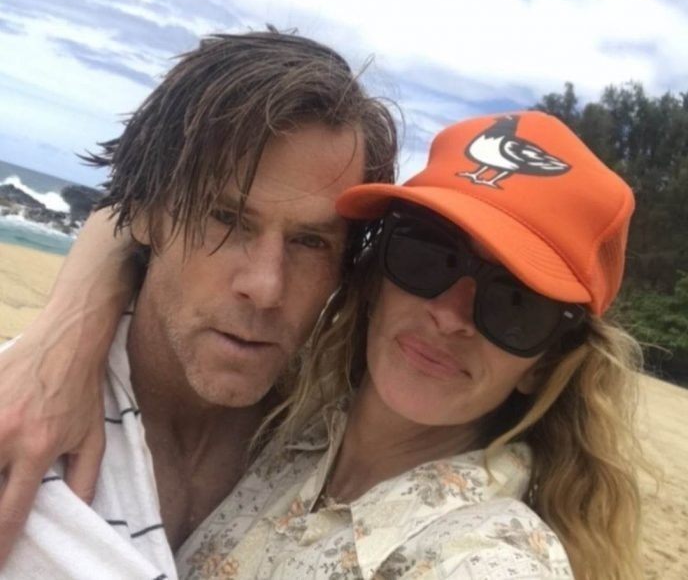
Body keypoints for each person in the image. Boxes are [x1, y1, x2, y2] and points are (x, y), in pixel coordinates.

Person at [172, 111, 646, 580]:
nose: (449, 315)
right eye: (428, 253)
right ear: (376, 273)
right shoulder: (279, 420)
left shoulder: (487, 560)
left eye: (515, 303)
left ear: (545, 363)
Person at [0, 29, 397, 578]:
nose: (266, 287)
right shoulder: (19, 421)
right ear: (145, 214)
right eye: (227, 219)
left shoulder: (338, 435)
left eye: (311, 241)